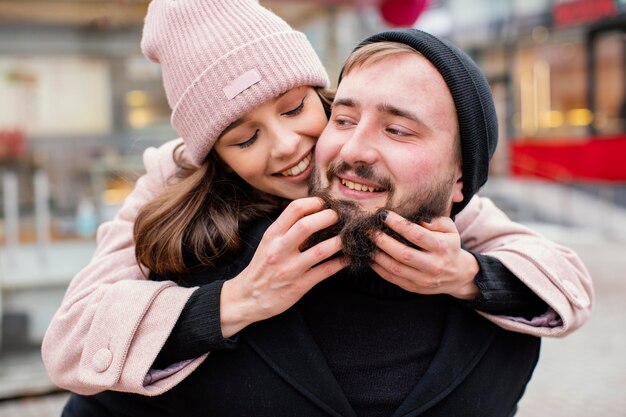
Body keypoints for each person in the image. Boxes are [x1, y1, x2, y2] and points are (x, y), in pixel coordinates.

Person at [42, 0, 592, 402]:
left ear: (319, 90)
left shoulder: (382, 167)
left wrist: (466, 275)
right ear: (214, 156)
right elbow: (71, 343)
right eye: (243, 138)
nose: (288, 148)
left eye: (292, 108)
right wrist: (238, 300)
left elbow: (557, 276)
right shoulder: (172, 187)